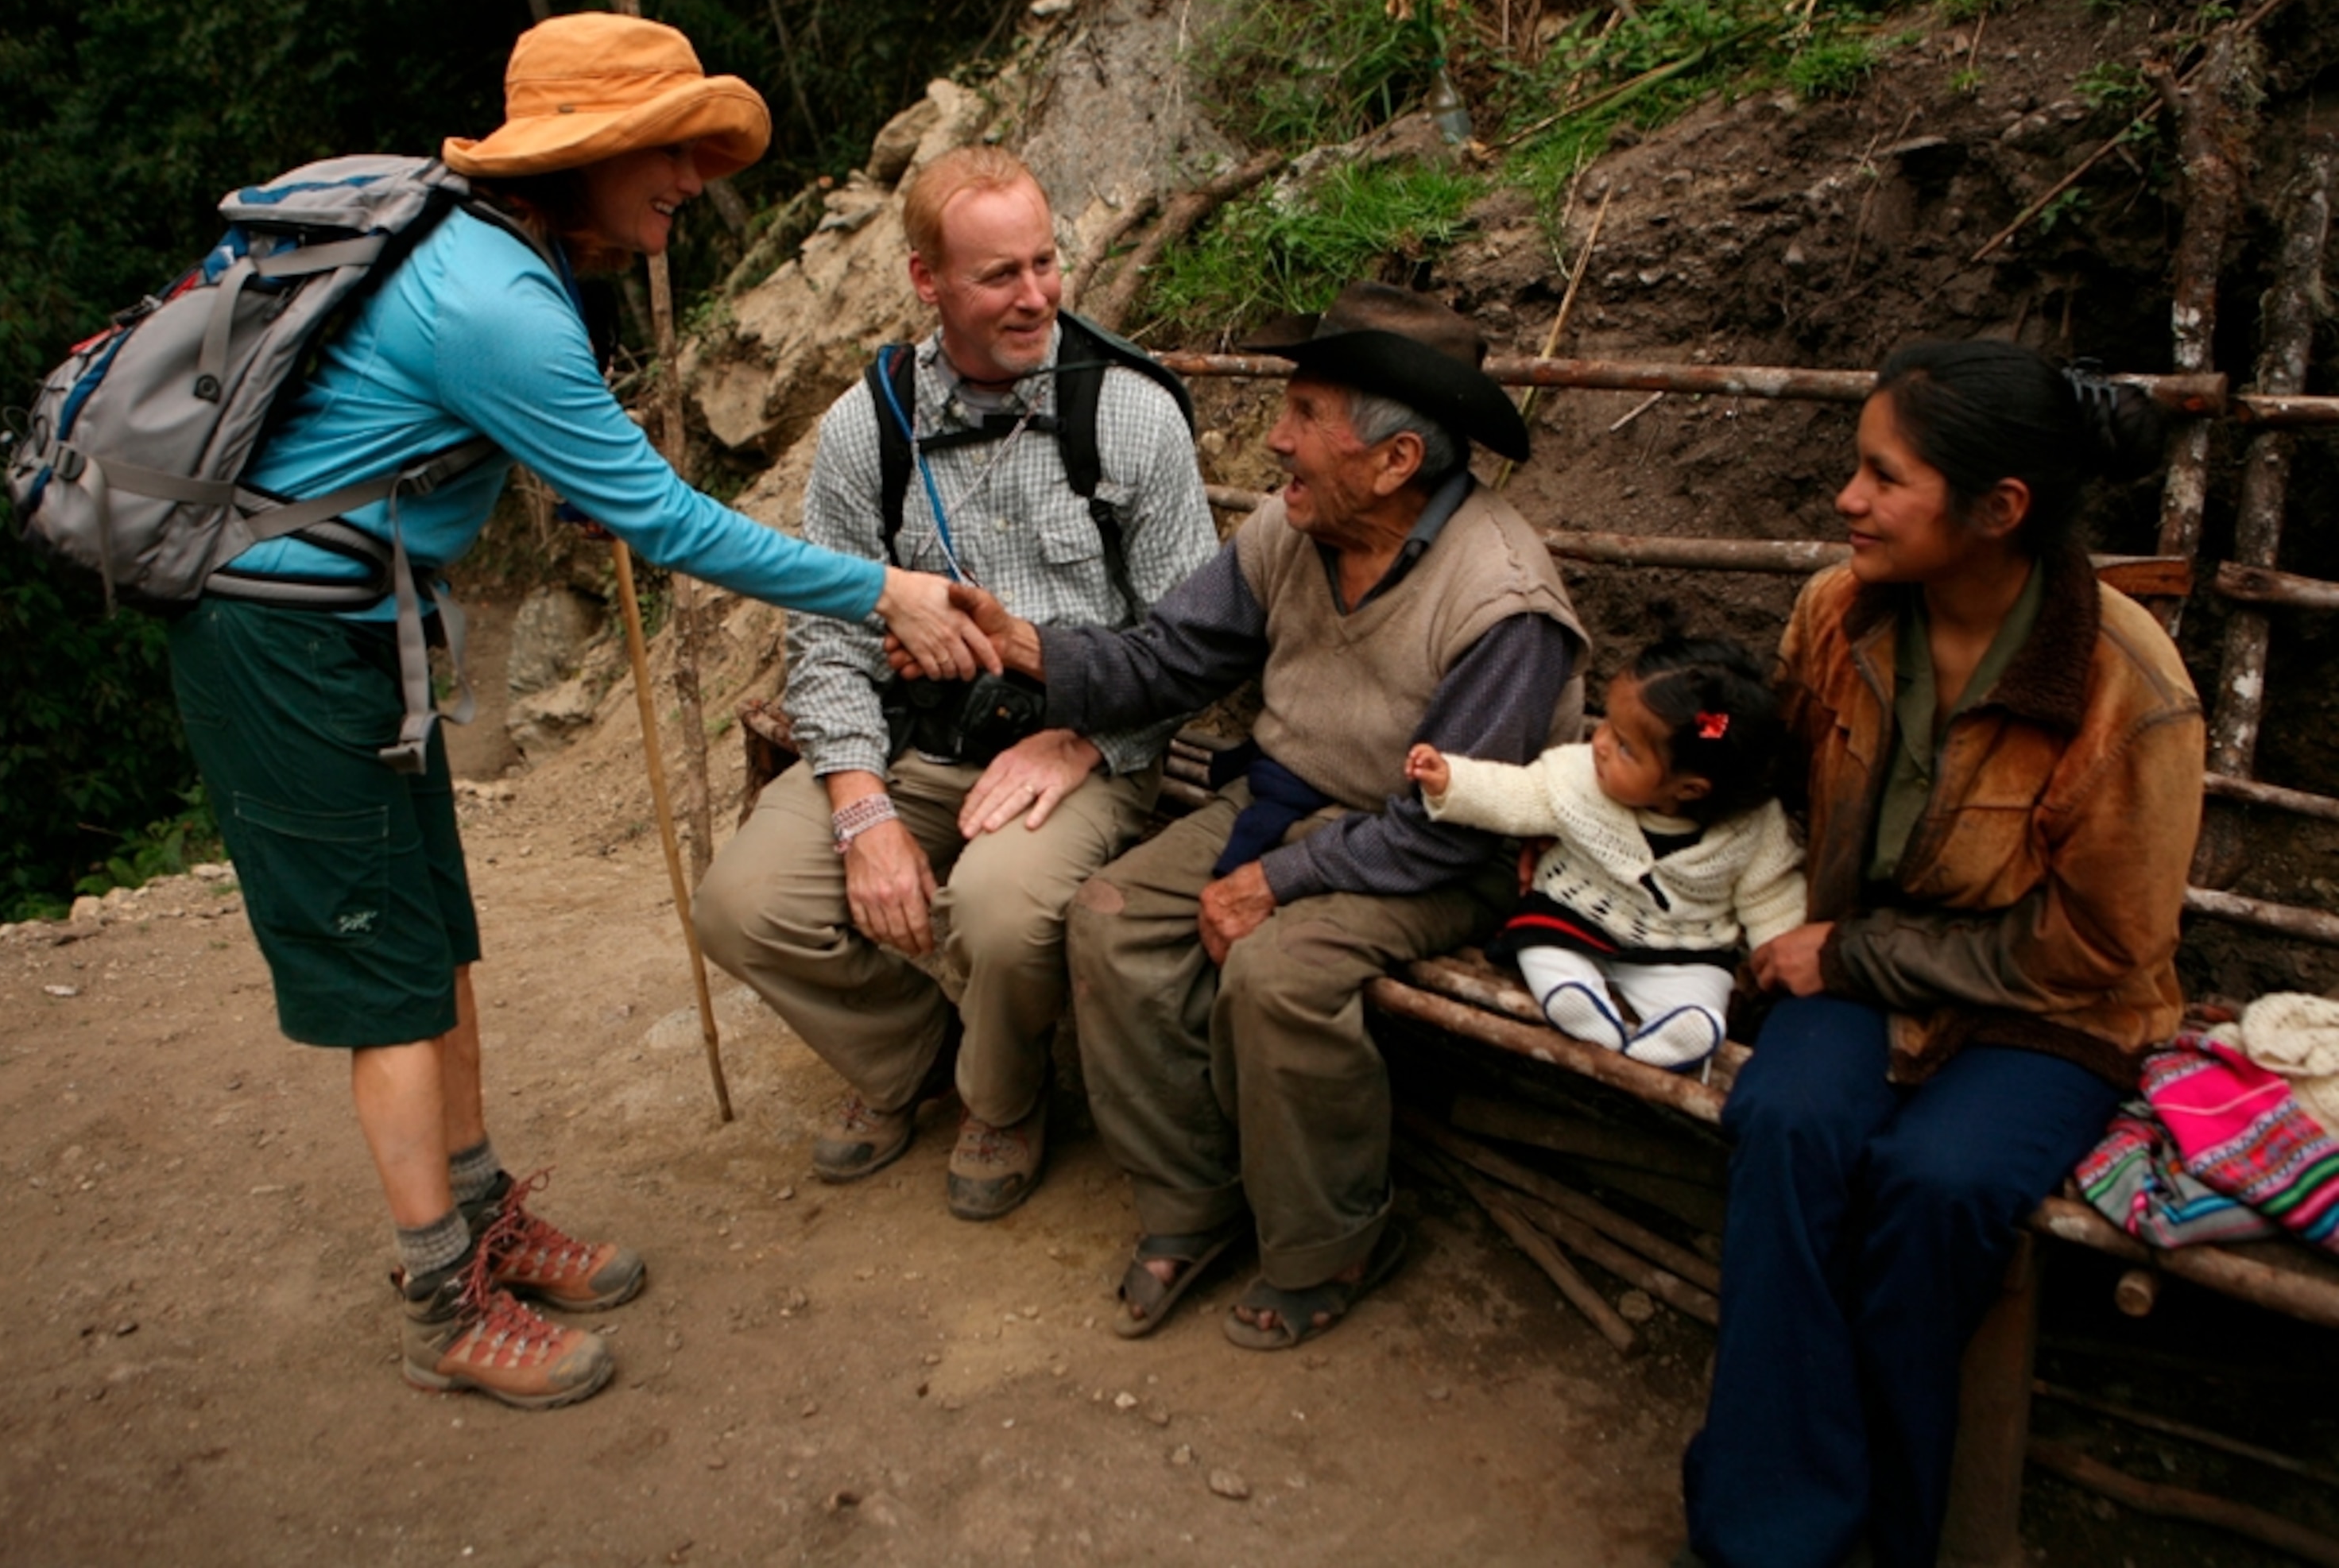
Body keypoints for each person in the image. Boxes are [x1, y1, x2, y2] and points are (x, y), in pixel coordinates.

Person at [165, 13, 995, 1412]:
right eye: (662, 148)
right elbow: (667, 523)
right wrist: (882, 591)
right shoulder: (495, 300)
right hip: (285, 642)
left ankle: (484, 1215)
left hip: (360, 628)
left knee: (438, 944)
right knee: (387, 979)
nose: (687, 172)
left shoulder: (499, 257)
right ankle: (440, 1296)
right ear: (586, 155)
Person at [931, 283, 1588, 1348]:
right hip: (1286, 799)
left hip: (1437, 849)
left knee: (1279, 972)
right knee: (1109, 915)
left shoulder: (1501, 601)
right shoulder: (1296, 529)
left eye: (1306, 415)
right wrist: (1030, 647)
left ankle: (1335, 1240)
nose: (1275, 439)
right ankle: (1194, 1196)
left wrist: (1276, 882)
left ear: (1395, 462)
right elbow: (1172, 656)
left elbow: (1443, 825)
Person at [1679, 340, 2204, 1567]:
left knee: (1942, 1184)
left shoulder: (2128, 686)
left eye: (1883, 476)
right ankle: (1767, 1534)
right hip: (1859, 959)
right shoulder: (1840, 614)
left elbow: (2103, 942)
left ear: (1998, 509)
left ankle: (1888, 1535)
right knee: (1787, 1124)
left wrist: (1857, 956)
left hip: (2049, 1000)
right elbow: (1774, 779)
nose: (1848, 500)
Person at [693, 146, 1215, 1220]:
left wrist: (1085, 739)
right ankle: (914, 1056)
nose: (1035, 296)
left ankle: (1002, 1095)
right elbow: (827, 634)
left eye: (1046, 262)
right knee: (743, 905)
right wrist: (861, 807)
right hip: (916, 741)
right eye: (998, 275)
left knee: (998, 906)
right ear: (927, 280)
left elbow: (1194, 638)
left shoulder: (1130, 414)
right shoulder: (865, 428)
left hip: (1079, 749)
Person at [1406, 633, 1804, 1074]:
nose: (1600, 742)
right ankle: (1576, 998)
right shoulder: (1577, 780)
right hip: (1573, 918)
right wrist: (1452, 782)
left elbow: (1771, 895)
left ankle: (1687, 1025)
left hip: (1682, 946)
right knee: (1541, 948)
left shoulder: (1751, 829)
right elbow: (1517, 793)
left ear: (1689, 789)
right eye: (1609, 726)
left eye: (1626, 747)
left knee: (1706, 982)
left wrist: (1777, 948)